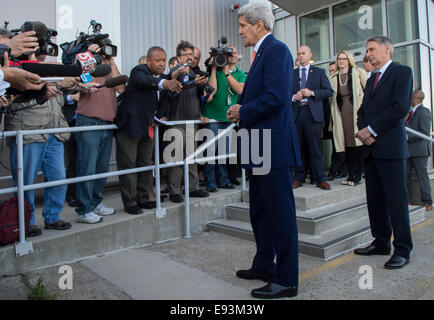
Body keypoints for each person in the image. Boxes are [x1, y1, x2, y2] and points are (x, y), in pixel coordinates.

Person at [227, 2, 301, 299]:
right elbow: (259, 94)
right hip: (257, 147)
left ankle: (286, 280)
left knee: (280, 214)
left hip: (273, 148)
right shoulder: (259, 54)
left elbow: (277, 97)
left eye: (243, 25)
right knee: (260, 211)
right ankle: (264, 265)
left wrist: (242, 112)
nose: (240, 30)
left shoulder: (277, 50)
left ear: (259, 25)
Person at [354, 36, 413, 270]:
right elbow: (362, 110)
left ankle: (402, 249)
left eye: (371, 49)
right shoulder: (371, 79)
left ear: (387, 49)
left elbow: (400, 107)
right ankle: (380, 242)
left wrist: (372, 130)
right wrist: (362, 130)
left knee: (396, 201)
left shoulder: (402, 72)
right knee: (375, 200)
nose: (368, 54)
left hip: (390, 148)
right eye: (367, 50)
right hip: (371, 148)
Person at [4, 50, 72, 237]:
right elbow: (12, 96)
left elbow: (60, 99)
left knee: (58, 176)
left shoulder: (53, 69)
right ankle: (27, 221)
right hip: (28, 132)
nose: (42, 50)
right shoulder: (16, 69)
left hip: (54, 131)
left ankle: (53, 216)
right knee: (26, 181)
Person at [115, 46, 181, 215]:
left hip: (149, 127)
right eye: (158, 60)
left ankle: (144, 198)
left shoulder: (160, 77)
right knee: (128, 165)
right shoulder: (139, 71)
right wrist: (164, 83)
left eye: (164, 60)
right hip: (130, 128)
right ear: (148, 61)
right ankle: (130, 203)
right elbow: (143, 82)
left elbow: (163, 99)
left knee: (145, 164)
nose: (162, 64)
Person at [74, 44, 126, 224]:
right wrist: (89, 56)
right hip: (88, 120)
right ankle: (83, 209)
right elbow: (81, 84)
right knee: (87, 167)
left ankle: (95, 202)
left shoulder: (107, 65)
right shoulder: (85, 62)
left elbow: (121, 88)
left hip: (107, 122)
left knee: (101, 168)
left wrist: (110, 61)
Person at [165, 40, 210, 203]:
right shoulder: (174, 72)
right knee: (176, 158)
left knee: (192, 157)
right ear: (178, 57)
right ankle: (174, 191)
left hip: (193, 120)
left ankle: (193, 188)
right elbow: (173, 86)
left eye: (191, 54)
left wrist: (204, 87)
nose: (190, 57)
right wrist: (191, 82)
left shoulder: (195, 73)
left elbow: (202, 92)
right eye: (186, 54)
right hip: (176, 121)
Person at [201, 46, 246, 192]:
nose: (232, 54)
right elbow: (211, 89)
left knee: (224, 152)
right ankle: (211, 181)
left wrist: (227, 74)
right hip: (213, 117)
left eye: (234, 52)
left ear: (237, 56)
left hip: (228, 118)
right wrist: (214, 68)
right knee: (210, 151)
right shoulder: (215, 70)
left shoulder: (240, 74)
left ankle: (223, 180)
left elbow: (240, 89)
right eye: (229, 52)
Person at [292, 45, 333, 190]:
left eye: (303, 53)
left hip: (313, 113)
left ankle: (320, 178)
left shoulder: (319, 72)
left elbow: (329, 91)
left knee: (315, 148)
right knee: (298, 147)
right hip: (297, 114)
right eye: (298, 54)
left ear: (310, 55)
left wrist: (312, 93)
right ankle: (298, 177)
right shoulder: (292, 74)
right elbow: (284, 94)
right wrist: (293, 97)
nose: (300, 56)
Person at [329, 51, 368, 186]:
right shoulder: (334, 77)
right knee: (347, 145)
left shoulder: (358, 72)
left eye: (344, 59)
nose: (341, 61)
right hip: (341, 115)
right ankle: (350, 175)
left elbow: (368, 91)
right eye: (339, 59)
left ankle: (358, 176)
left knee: (358, 145)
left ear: (349, 60)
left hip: (356, 112)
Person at [406, 90, 432, 212]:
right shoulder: (410, 113)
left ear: (415, 98)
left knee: (422, 176)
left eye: (410, 97)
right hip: (408, 151)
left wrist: (407, 137)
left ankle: (427, 202)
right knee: (406, 176)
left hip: (420, 151)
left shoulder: (424, 112)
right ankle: (408, 200)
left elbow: (424, 132)